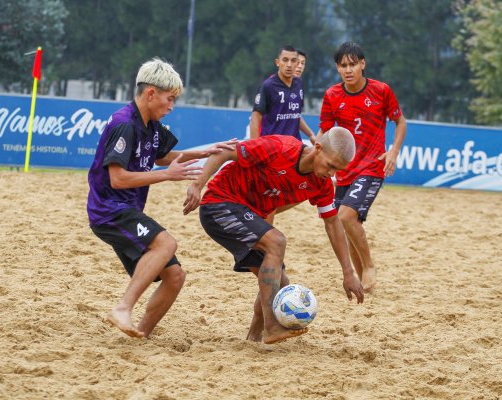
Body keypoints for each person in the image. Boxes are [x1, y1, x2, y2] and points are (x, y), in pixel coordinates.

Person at [86, 58, 236, 339]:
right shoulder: (124, 124)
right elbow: (118, 178)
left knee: (175, 276)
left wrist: (205, 152)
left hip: (127, 209)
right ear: (151, 93)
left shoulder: (152, 125)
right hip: (109, 210)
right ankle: (123, 308)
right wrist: (167, 175)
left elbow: (163, 156)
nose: (171, 106)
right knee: (166, 242)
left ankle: (139, 334)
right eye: (170, 99)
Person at [183, 128, 365, 345]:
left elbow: (333, 223)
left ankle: (253, 339)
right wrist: (197, 184)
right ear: (317, 148)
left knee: (280, 281)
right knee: (277, 241)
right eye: (331, 165)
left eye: (338, 170)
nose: (332, 174)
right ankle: (272, 326)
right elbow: (225, 152)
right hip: (220, 204)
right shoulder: (280, 148)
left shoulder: (321, 184)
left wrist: (348, 273)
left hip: (248, 214)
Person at [317, 42, 407, 294]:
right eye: (343, 65)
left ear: (362, 64)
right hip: (343, 170)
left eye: (353, 64)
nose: (348, 69)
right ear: (337, 68)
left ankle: (368, 266)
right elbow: (324, 129)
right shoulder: (332, 95)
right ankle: (363, 282)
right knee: (344, 223)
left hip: (372, 166)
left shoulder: (381, 91)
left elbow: (400, 122)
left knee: (345, 216)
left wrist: (394, 151)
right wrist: (317, 149)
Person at [249, 45, 316, 145]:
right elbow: (255, 119)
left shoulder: (299, 84)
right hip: (273, 147)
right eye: (285, 60)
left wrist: (311, 134)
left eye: (293, 61)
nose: (289, 65)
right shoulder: (268, 86)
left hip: (295, 146)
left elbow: (295, 114)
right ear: (277, 62)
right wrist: (253, 148)